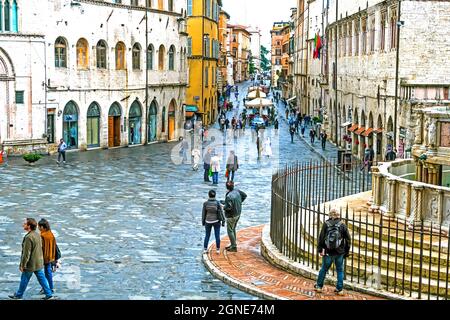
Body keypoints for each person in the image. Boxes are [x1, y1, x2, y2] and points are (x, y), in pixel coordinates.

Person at [9, 218, 53, 300]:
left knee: (24, 279)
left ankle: (19, 295)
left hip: (31, 264)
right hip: (38, 262)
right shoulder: (37, 234)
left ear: (29, 226)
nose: (23, 225)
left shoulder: (29, 237)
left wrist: (22, 265)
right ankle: (49, 294)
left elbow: (26, 254)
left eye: (25, 224)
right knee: (42, 279)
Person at [314, 208, 351, 296]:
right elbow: (348, 239)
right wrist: (346, 251)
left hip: (328, 252)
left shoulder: (326, 224)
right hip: (339, 252)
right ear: (338, 215)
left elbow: (321, 238)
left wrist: (320, 250)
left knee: (324, 269)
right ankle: (339, 289)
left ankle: (319, 286)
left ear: (330, 215)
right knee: (340, 270)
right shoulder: (342, 225)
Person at [223, 181, 247, 252]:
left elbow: (228, 207)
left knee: (230, 230)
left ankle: (233, 246)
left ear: (227, 187)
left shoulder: (228, 196)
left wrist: (223, 207)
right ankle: (233, 244)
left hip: (231, 215)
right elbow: (244, 195)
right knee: (233, 229)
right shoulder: (237, 191)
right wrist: (239, 202)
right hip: (238, 213)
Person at [202, 190, 225, 254]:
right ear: (215, 195)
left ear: (208, 195)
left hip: (208, 221)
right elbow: (221, 213)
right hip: (216, 221)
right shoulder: (217, 203)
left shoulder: (205, 203)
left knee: (207, 235)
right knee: (217, 235)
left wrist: (203, 222)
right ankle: (217, 249)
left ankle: (205, 249)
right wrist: (223, 221)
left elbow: (203, 213)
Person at [38, 219, 56, 295]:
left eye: (39, 226)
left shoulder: (43, 235)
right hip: (51, 257)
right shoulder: (50, 233)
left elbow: (40, 247)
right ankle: (50, 287)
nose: (38, 228)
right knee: (48, 273)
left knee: (45, 273)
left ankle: (48, 288)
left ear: (42, 227)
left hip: (45, 257)